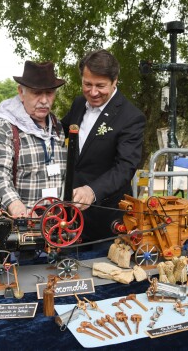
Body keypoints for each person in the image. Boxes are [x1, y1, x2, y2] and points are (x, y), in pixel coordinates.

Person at [62, 49, 146, 241]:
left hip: (107, 217)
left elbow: (125, 167)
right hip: (72, 216)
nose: (93, 92)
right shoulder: (78, 104)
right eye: (87, 84)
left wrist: (92, 191)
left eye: (100, 86)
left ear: (115, 81)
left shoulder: (131, 117)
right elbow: (59, 131)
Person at [0, 61, 67, 216]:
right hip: (19, 226)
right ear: (21, 92)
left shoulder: (57, 126)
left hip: (55, 225)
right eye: (37, 93)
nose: (44, 100)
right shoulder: (4, 126)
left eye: (49, 93)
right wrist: (15, 206)